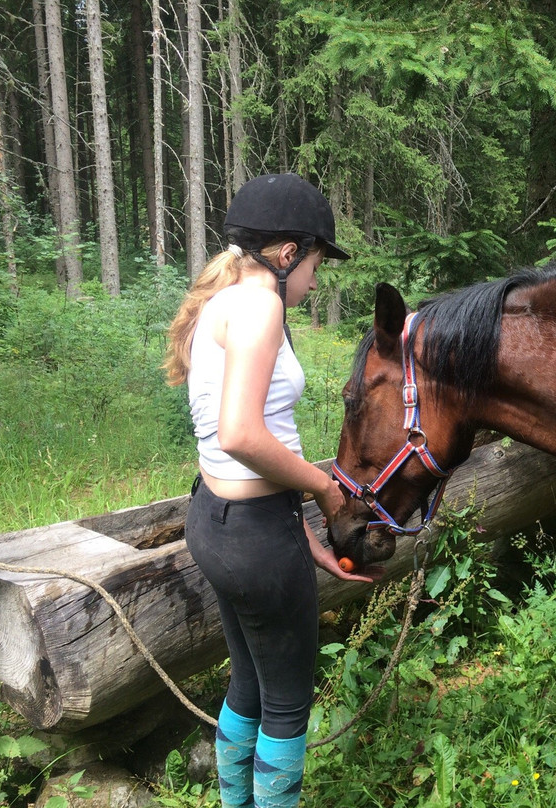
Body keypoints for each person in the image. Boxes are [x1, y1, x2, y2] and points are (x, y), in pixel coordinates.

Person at [164, 173, 379, 808]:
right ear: (288, 254)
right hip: (253, 536)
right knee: (287, 704)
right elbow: (240, 433)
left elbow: (245, 442)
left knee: (249, 691)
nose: (316, 282)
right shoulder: (261, 307)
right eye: (316, 264)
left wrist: (298, 529)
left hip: (218, 522)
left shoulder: (223, 303)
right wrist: (326, 489)